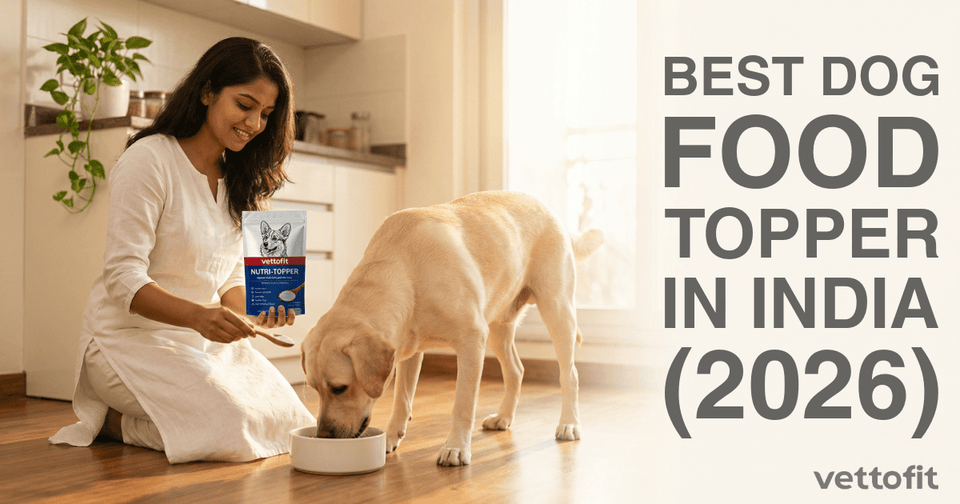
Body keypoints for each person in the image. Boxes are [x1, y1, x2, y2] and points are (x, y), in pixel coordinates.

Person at [49, 37, 315, 463]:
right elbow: (123, 280)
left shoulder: (239, 177)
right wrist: (200, 318)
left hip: (199, 344)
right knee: (231, 422)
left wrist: (262, 305)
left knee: (290, 422)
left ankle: (172, 421)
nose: (254, 123)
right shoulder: (149, 160)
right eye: (244, 105)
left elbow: (225, 277)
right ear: (207, 92)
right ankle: (112, 422)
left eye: (266, 114)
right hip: (125, 342)